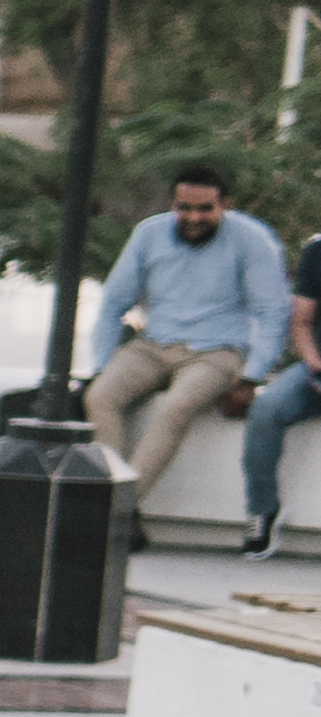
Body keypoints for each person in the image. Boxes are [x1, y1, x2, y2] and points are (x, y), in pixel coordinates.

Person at [87, 162, 288, 531]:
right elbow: (114, 303)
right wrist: (101, 363)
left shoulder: (253, 238)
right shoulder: (149, 234)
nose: (194, 217)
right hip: (152, 344)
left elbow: (273, 312)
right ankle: (114, 503)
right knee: (99, 396)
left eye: (205, 209)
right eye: (185, 208)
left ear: (225, 205)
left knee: (175, 408)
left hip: (218, 352)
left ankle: (119, 511)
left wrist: (252, 376)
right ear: (173, 205)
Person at [233, 222, 321, 557]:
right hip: (316, 371)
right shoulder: (317, 250)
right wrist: (314, 363)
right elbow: (301, 322)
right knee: (267, 408)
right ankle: (262, 510)